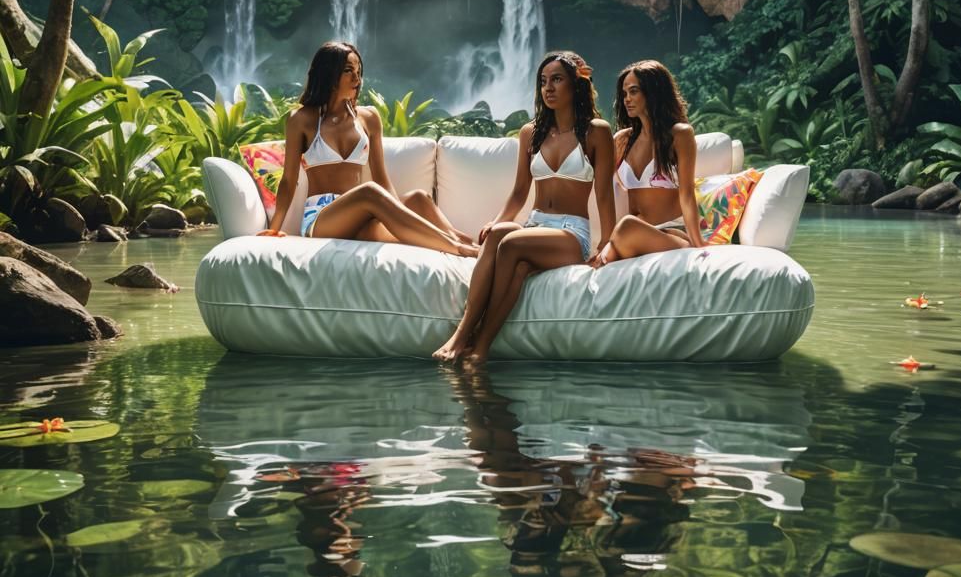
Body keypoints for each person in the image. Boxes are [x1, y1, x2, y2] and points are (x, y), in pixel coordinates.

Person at [432, 51, 615, 363]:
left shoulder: (595, 131)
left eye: (557, 79)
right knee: (500, 240)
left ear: (575, 85)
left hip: (571, 233)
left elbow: (605, 196)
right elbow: (519, 192)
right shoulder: (531, 133)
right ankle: (476, 348)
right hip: (535, 224)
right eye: (543, 81)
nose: (548, 88)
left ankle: (467, 338)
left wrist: (607, 245)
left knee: (512, 244)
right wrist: (498, 221)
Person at [258, 41, 477, 256]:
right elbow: (288, 180)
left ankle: (467, 243)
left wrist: (393, 213)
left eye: (358, 71)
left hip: (361, 216)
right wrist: (275, 228)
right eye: (348, 71)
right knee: (368, 192)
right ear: (329, 74)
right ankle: (456, 248)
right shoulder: (301, 119)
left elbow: (382, 179)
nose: (357, 78)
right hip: (322, 218)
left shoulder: (369, 118)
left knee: (419, 198)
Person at [593, 60, 706, 266]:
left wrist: (699, 245)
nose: (627, 99)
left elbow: (687, 195)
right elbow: (602, 187)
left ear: (653, 92)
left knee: (626, 226)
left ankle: (684, 247)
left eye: (633, 91)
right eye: (624, 93)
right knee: (603, 259)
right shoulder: (622, 140)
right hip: (633, 234)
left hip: (671, 231)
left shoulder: (679, 134)